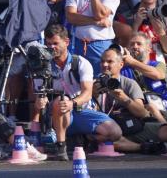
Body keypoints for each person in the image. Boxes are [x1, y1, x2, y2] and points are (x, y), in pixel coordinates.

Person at [35, 25, 121, 161]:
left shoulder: (81, 63)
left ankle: (84, 138)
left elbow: (87, 94)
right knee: (60, 102)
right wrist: (40, 102)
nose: (52, 47)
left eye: (55, 43)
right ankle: (61, 147)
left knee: (115, 132)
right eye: (48, 44)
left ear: (67, 42)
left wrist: (72, 103)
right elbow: (39, 97)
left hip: (81, 111)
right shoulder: (42, 65)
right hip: (56, 113)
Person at [94, 49, 167, 154]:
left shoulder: (129, 84)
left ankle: (149, 145)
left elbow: (142, 113)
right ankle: (145, 147)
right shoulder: (93, 84)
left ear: (121, 64)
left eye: (109, 61)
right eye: (102, 61)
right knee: (102, 138)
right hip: (107, 129)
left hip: (132, 126)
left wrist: (125, 99)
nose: (104, 64)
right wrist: (93, 93)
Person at [121, 33, 167, 122]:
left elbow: (158, 75)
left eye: (139, 44)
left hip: (164, 109)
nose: (135, 46)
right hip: (137, 112)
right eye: (132, 44)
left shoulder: (158, 64)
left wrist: (132, 62)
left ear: (149, 49)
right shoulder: (122, 69)